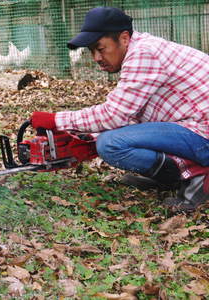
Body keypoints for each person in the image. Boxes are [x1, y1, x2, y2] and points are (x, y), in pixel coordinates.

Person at [31, 6, 209, 212]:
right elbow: (133, 116)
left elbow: (115, 115)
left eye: (101, 48)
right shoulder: (142, 49)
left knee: (111, 144)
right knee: (107, 139)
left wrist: (56, 120)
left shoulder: (143, 54)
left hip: (203, 130)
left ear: (124, 38)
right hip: (195, 125)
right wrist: (88, 137)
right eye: (91, 51)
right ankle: (174, 176)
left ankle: (198, 175)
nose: (96, 58)